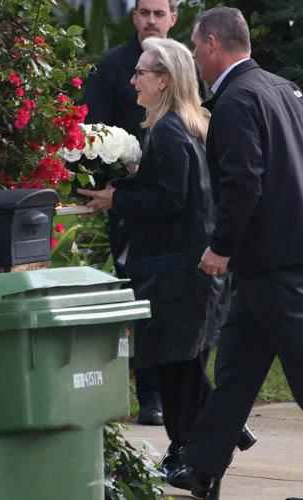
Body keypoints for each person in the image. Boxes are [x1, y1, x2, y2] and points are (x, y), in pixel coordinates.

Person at [78, 36, 255, 493]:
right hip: (184, 269)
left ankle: (195, 455)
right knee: (182, 366)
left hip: (175, 272)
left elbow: (171, 198)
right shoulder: (185, 126)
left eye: (141, 73)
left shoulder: (171, 131)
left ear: (164, 81)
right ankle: (217, 439)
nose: (132, 79)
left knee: (176, 369)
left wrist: (117, 198)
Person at [168, 7, 303, 500]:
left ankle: (202, 465)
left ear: (210, 44)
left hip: (274, 260)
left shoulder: (235, 99)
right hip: (277, 257)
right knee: (237, 370)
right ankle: (202, 468)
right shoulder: (283, 89)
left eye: (196, 46)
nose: (197, 60)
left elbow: (244, 181)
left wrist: (221, 246)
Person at [82, 0, 179, 426]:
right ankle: (151, 394)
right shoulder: (112, 67)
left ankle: (183, 390)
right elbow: (91, 133)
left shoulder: (184, 64)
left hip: (177, 204)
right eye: (144, 12)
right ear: (133, 17)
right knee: (138, 298)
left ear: (174, 18)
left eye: (159, 13)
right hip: (128, 204)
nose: (151, 20)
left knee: (175, 303)